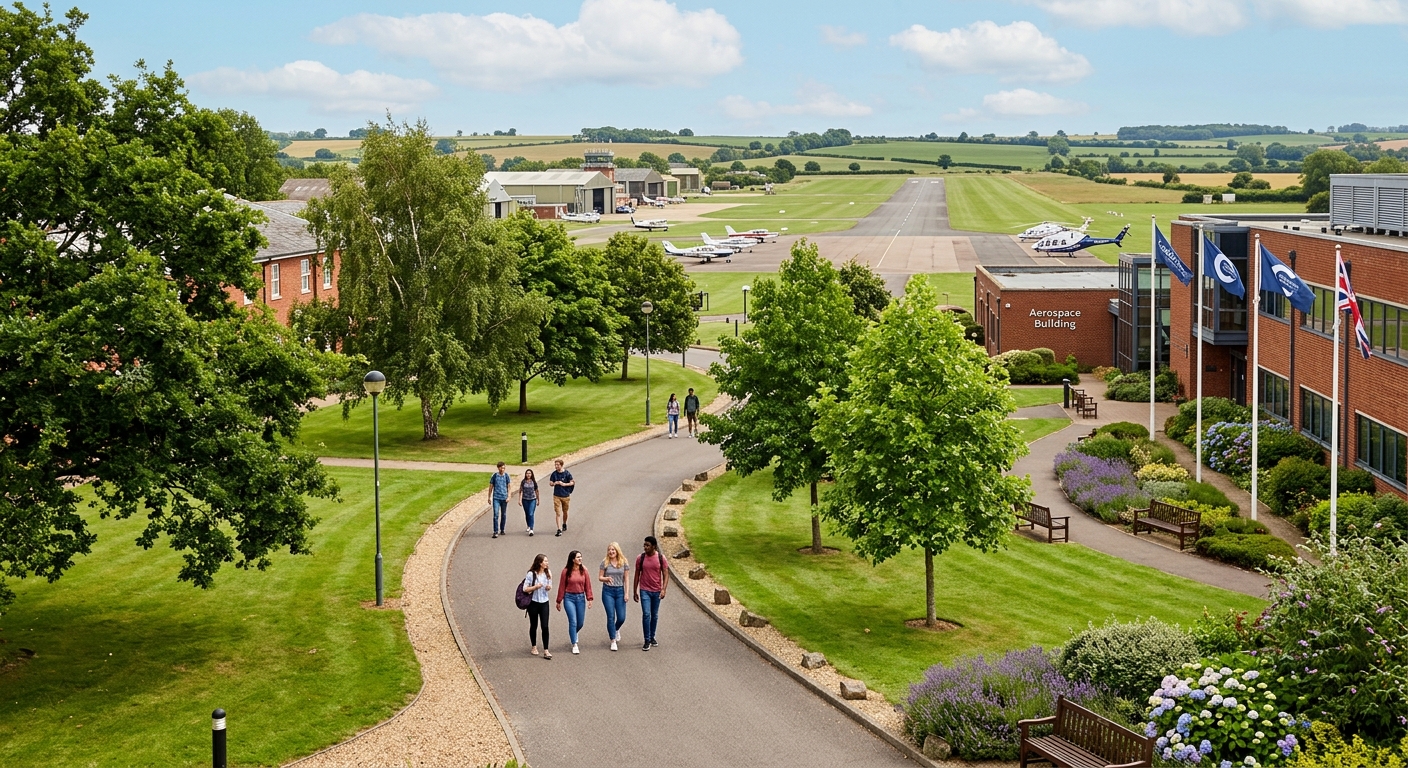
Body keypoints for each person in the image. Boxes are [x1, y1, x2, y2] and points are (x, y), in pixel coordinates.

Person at [633, 535, 667, 651]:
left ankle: (652, 636)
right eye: (644, 545)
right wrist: (634, 590)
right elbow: (637, 574)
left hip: (656, 590)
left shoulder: (661, 558)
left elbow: (666, 574)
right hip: (645, 590)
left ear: (654, 546)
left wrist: (663, 589)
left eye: (647, 545)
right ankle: (646, 639)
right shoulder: (640, 558)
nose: (645, 547)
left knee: (654, 615)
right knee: (646, 614)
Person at [556, 549, 594, 655]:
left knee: (580, 622)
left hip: (580, 598)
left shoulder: (584, 570)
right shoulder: (566, 571)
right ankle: (574, 644)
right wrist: (559, 600)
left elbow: (588, 585)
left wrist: (589, 598)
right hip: (569, 598)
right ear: (573, 559)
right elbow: (562, 586)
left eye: (581, 557)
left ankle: (574, 633)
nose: (580, 559)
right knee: (573, 621)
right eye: (578, 557)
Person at [598, 542, 629, 651]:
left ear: (617, 551)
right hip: (608, 591)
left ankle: (615, 629)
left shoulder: (624, 562)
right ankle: (613, 640)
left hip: (620, 590)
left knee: (621, 617)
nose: (611, 552)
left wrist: (626, 593)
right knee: (611, 616)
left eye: (613, 550)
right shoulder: (605, 563)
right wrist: (606, 578)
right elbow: (600, 577)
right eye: (609, 550)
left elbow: (626, 578)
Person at [523, 554, 553, 659]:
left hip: (544, 602)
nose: (547, 563)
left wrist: (549, 587)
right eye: (545, 561)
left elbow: (550, 585)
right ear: (540, 563)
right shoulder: (531, 574)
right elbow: (525, 589)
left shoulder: (548, 573)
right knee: (534, 625)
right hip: (534, 602)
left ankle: (546, 650)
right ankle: (534, 646)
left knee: (545, 626)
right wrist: (535, 587)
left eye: (547, 561)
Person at [549, 459, 575, 537]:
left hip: (565, 495)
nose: (556, 466)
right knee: (558, 512)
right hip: (556, 495)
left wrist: (564, 484)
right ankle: (559, 529)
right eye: (555, 465)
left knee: (565, 511)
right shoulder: (554, 474)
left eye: (558, 465)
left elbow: (572, 482)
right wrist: (554, 483)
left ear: (561, 465)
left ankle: (564, 523)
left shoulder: (567, 473)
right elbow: (550, 483)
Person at [490, 462, 511, 539]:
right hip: (496, 497)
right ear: (498, 468)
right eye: (501, 468)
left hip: (504, 498)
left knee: (503, 514)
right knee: (496, 514)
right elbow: (491, 486)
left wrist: (509, 496)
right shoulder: (495, 476)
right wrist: (489, 497)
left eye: (503, 468)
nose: (502, 469)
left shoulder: (507, 476)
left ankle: (502, 529)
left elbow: (509, 486)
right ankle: (495, 531)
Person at [519, 469, 539, 536]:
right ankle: (528, 524)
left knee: (531, 513)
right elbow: (521, 491)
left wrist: (538, 500)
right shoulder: (523, 482)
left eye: (529, 473)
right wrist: (519, 500)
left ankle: (531, 529)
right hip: (525, 499)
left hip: (532, 499)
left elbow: (536, 491)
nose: (528, 475)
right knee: (527, 513)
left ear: (532, 474)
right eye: (527, 473)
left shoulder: (534, 482)